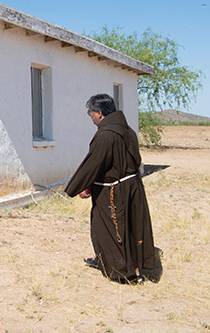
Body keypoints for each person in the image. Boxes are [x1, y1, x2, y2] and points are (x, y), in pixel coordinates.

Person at [65, 94, 155, 283]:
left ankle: (124, 272)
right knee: (130, 227)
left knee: (113, 230)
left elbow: (94, 164)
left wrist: (74, 188)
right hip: (131, 187)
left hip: (114, 192)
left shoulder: (106, 135)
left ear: (99, 112)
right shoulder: (127, 131)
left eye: (90, 112)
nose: (90, 116)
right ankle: (124, 265)